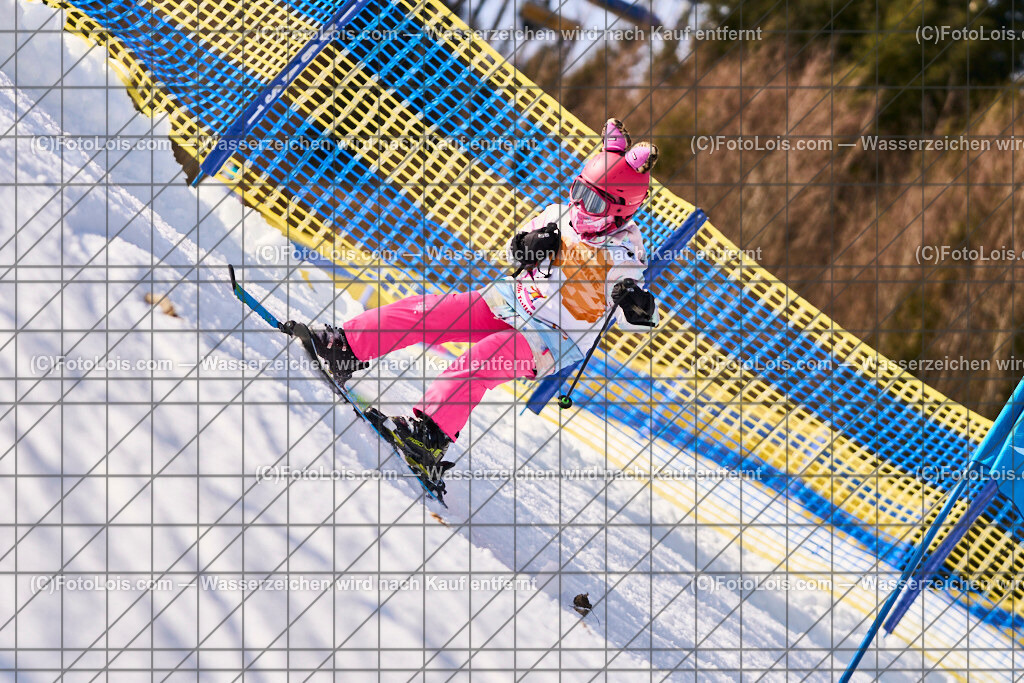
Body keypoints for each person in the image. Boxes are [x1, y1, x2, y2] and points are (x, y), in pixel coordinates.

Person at [289, 118, 660, 482]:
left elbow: (635, 315)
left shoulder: (625, 252)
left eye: (592, 199)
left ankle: (431, 435)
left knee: (484, 357)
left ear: (621, 207)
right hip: (511, 300)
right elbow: (517, 245)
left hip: (550, 338)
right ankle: (346, 345)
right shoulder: (561, 215)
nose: (579, 205)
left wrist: (637, 305)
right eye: (578, 190)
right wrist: (526, 246)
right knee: (431, 311)